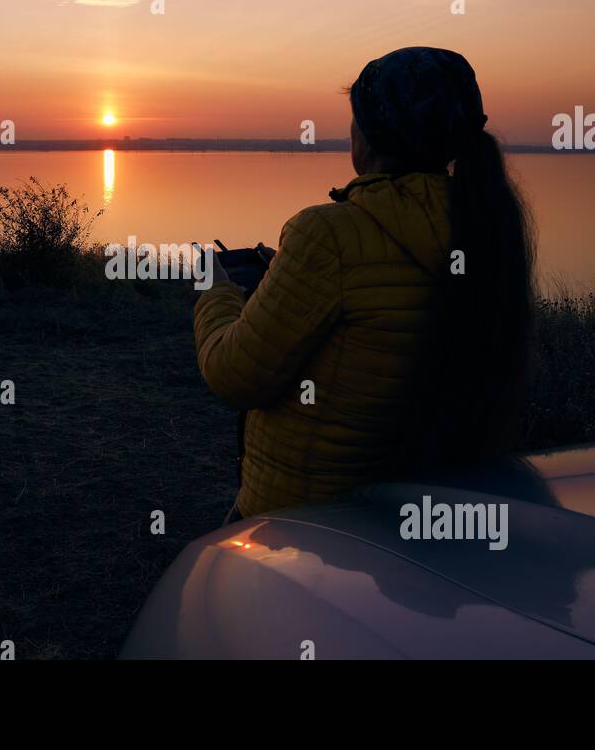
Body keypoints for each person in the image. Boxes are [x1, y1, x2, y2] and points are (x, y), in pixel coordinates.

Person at [196, 47, 535, 522]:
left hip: (303, 522)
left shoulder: (329, 236)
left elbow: (235, 374)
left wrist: (217, 289)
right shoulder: (486, 230)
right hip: (410, 517)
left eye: (355, 119)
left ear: (373, 136)